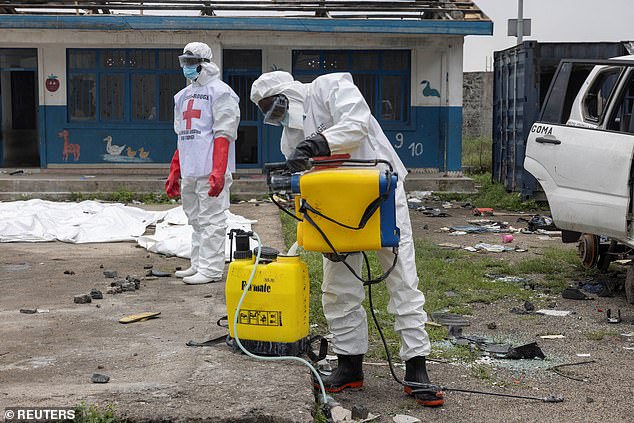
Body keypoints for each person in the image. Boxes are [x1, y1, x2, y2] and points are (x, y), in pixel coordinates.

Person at [250, 71, 444, 407]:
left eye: (276, 106)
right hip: (335, 209)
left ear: (289, 92)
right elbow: (304, 185)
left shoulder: (331, 87)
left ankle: (416, 369)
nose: (277, 115)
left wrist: (316, 144)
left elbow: (356, 124)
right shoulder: (290, 138)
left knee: (402, 283)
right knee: (338, 289)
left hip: (378, 195)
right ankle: (349, 365)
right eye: (269, 112)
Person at [165, 42, 240, 285]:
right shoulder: (182, 96)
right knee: (195, 220)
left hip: (209, 170)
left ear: (204, 63)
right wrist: (175, 171)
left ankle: (211, 269)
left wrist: (218, 170)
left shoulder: (221, 92)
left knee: (212, 221)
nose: (186, 67)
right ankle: (198, 264)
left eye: (191, 62)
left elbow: (223, 133)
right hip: (190, 170)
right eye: (184, 62)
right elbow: (183, 136)